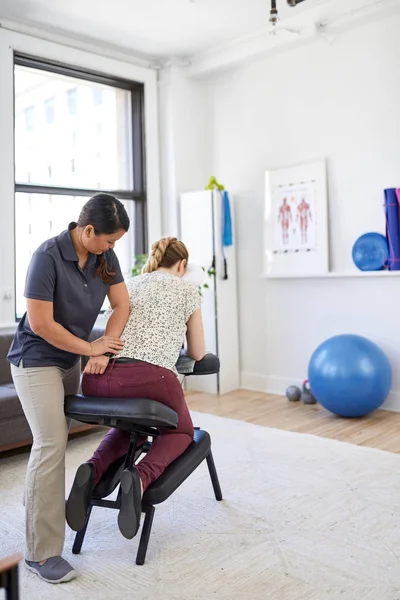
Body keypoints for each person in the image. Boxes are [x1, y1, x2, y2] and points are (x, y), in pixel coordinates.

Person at [7, 193, 130, 584]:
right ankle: (40, 554)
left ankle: (35, 511)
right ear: (88, 230)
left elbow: (122, 305)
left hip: (68, 360)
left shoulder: (103, 258)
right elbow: (41, 324)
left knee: (54, 444)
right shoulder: (46, 256)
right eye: (109, 241)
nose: (112, 250)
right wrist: (90, 347)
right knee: (51, 443)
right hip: (35, 359)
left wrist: (105, 349)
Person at [66, 236, 205, 542]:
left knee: (134, 426)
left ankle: (93, 468)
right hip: (151, 378)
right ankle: (140, 477)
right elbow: (197, 351)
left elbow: (109, 331)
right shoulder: (187, 290)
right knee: (181, 431)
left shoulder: (129, 285)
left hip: (97, 377)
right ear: (182, 264)